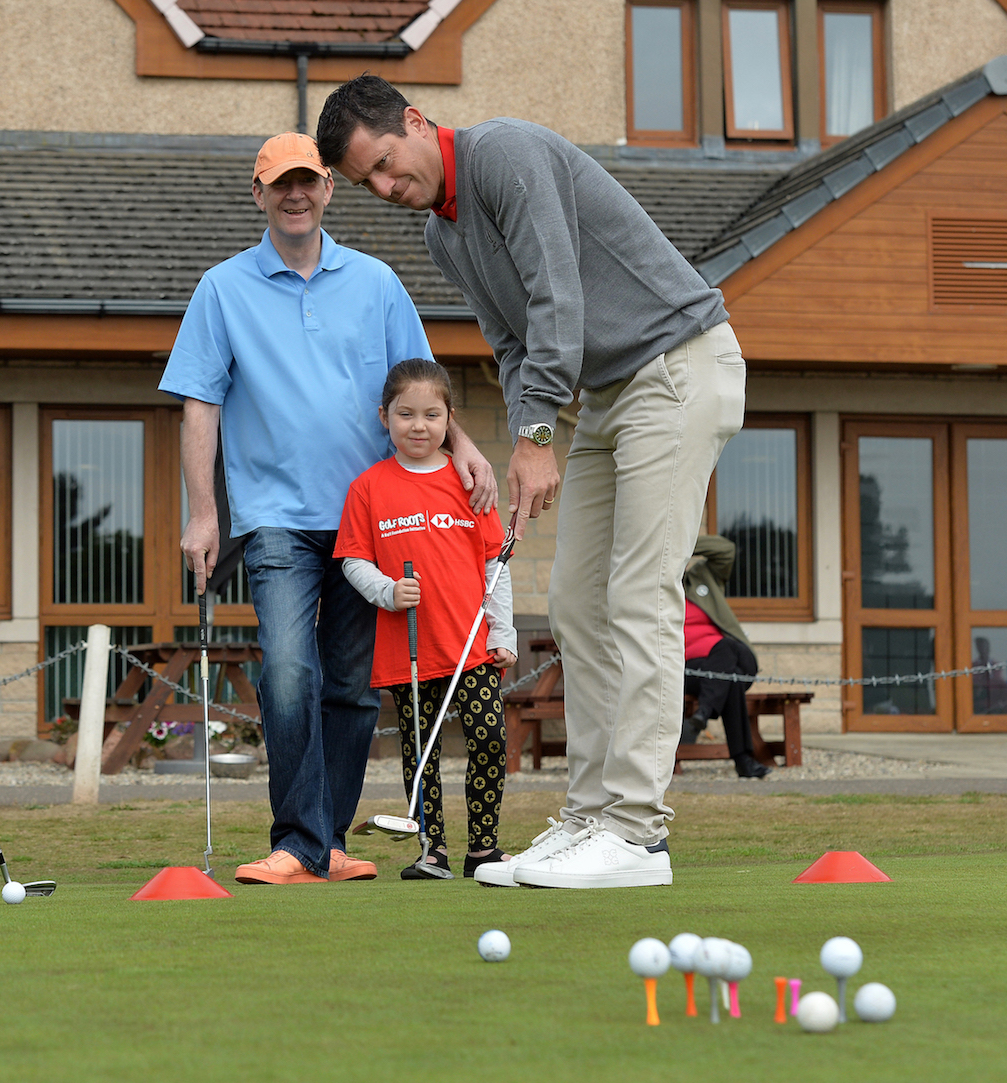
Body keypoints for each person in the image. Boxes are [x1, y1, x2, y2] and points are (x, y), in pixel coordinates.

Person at [317, 76, 745, 890]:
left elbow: (560, 298)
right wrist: (527, 442)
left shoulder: (504, 154)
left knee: (640, 593)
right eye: (368, 183)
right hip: (610, 396)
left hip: (678, 366)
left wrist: (541, 433)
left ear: (414, 122)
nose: (385, 188)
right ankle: (589, 818)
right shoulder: (446, 237)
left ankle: (638, 832)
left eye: (384, 164)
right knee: (580, 603)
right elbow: (513, 347)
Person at [159, 133, 497, 885]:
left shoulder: (375, 282)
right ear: (258, 194)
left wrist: (465, 445)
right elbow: (199, 405)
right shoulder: (222, 288)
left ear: (327, 190)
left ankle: (329, 842)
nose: (296, 194)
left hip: (370, 516)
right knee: (287, 671)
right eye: (280, 184)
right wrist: (203, 511)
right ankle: (298, 838)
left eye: (308, 181)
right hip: (274, 515)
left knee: (349, 685)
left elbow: (422, 386)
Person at [335, 358, 517, 879]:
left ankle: (482, 848)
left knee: (488, 736)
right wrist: (389, 592)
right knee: (421, 752)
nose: (419, 426)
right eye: (406, 414)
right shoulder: (368, 488)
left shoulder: (470, 483)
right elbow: (352, 560)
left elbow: (494, 565)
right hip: (409, 647)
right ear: (384, 417)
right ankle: (430, 850)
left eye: (432, 415)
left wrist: (502, 633)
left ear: (449, 419)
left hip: (470, 645)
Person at [680, 534, 770, 779]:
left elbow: (726, 549)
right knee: (729, 679)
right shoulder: (653, 591)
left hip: (730, 657)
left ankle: (705, 711)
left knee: (727, 650)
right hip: (686, 669)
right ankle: (744, 761)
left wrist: (679, 540)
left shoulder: (702, 577)